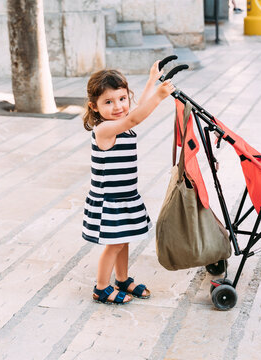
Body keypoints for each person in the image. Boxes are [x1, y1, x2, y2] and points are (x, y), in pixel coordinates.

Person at [82, 63, 175, 304]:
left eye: (122, 98)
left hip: (124, 195)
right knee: (113, 245)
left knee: (123, 241)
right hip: (110, 200)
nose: (118, 107)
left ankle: (121, 279)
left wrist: (151, 80)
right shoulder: (105, 129)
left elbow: (136, 112)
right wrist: (160, 96)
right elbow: (135, 118)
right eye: (108, 102)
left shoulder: (121, 121)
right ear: (94, 106)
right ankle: (101, 287)